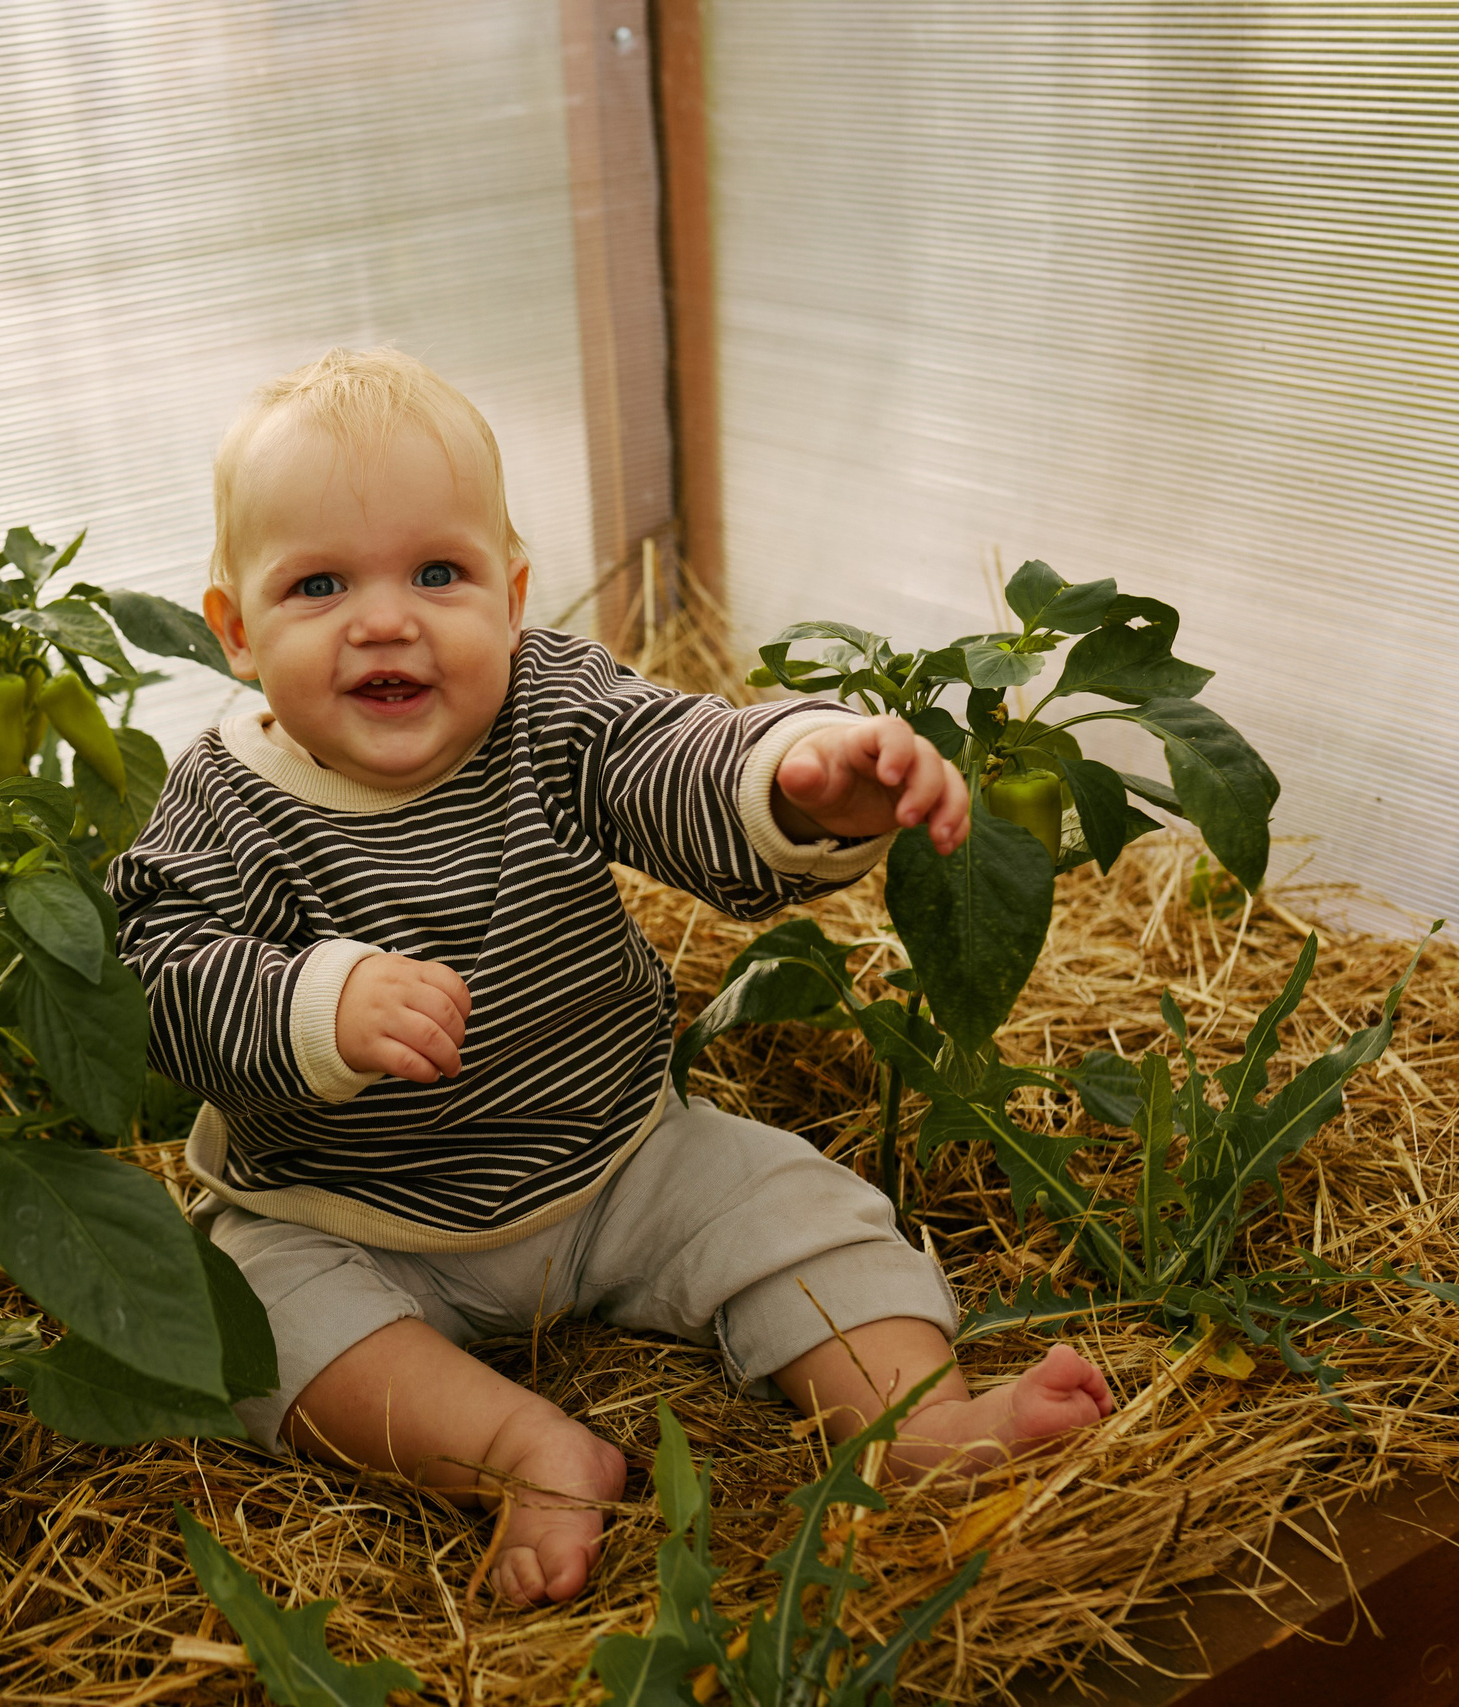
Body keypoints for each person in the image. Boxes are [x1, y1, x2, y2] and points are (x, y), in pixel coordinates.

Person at [106, 348, 1114, 1605]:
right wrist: (314, 1003)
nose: (385, 618)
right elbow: (158, 978)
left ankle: (911, 1424)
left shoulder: (552, 708)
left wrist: (798, 773)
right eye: (319, 584)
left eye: (438, 572)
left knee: (801, 1212)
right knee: (248, 1322)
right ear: (237, 632)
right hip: (345, 1211)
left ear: (513, 592)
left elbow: (671, 751)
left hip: (621, 1156)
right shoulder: (222, 802)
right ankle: (524, 1450)